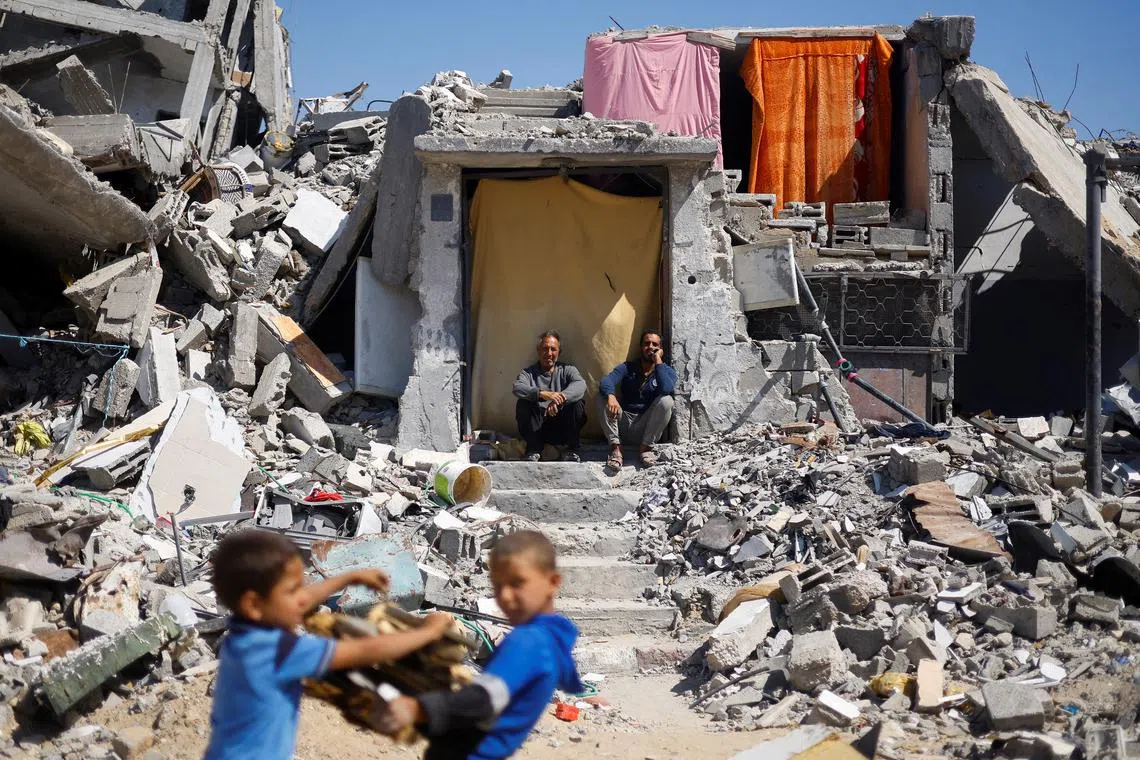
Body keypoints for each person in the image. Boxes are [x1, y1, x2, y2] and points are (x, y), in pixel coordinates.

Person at [203, 530, 454, 760]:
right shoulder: (282, 651)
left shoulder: (245, 633)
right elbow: (365, 650)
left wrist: (348, 577)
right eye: (292, 590)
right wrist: (427, 631)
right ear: (254, 605)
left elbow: (300, 602)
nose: (303, 598)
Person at [380, 530, 583, 760]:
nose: (505, 596)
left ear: (553, 582)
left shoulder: (527, 643)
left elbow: (483, 700)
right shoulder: (552, 638)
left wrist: (417, 709)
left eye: (517, 583)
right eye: (498, 586)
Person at [598, 330, 676, 469]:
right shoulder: (628, 368)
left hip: (646, 428)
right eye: (647, 343)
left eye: (655, 344)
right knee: (602, 397)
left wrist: (658, 361)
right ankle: (616, 449)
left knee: (667, 400)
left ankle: (645, 449)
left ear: (661, 349)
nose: (650, 347)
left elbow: (666, 389)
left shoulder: (665, 371)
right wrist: (611, 396)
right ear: (641, 347)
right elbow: (606, 381)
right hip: (624, 423)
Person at [511, 331, 587, 462]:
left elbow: (581, 385)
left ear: (559, 352)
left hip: (560, 429)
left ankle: (570, 449)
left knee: (578, 404)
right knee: (523, 403)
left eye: (553, 349)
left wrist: (560, 399)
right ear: (538, 351)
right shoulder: (528, 373)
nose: (549, 353)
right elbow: (517, 388)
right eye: (545, 349)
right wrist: (543, 394)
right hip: (538, 429)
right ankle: (533, 450)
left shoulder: (568, 370)